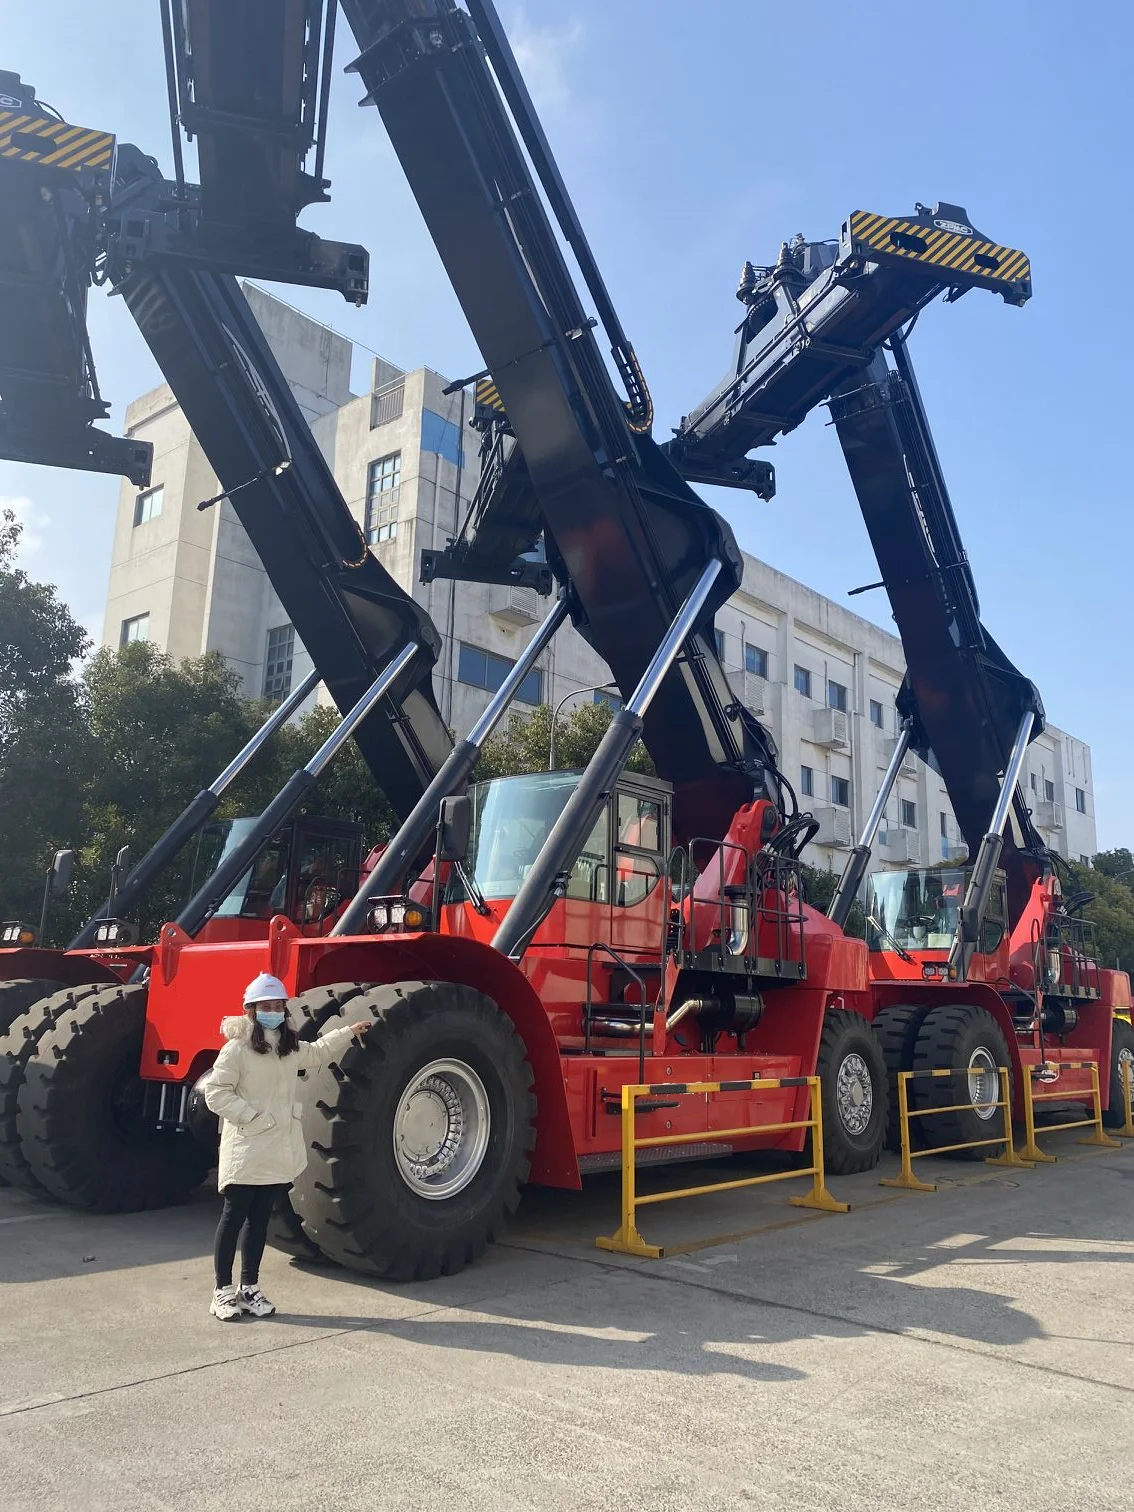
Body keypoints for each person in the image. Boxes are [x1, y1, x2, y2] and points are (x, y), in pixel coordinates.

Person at [202, 972, 371, 1321]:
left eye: (278, 1006)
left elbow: (318, 1052)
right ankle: (221, 1291)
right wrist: (252, 1117)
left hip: (276, 1150)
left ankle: (249, 1288)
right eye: (265, 1006)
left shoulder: (287, 1048)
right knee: (233, 1218)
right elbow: (216, 1093)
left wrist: (348, 1033)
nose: (273, 1011)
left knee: (260, 1220)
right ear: (251, 1010)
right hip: (247, 1148)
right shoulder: (237, 1049)